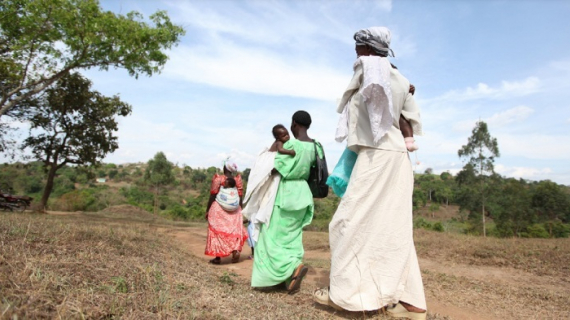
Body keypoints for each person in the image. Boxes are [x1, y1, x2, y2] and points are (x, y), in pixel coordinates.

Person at [314, 27, 427, 319]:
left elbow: (370, 81)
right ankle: (412, 304)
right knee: (393, 227)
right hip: (398, 155)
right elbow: (410, 117)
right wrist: (399, 81)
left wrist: (379, 69)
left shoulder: (370, 67)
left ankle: (347, 295)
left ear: (367, 48)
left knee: (346, 223)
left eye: (358, 45)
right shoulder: (400, 79)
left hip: (378, 155)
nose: (355, 51)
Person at [250, 110, 322, 294]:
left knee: (270, 235)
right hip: (303, 194)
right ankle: (291, 272)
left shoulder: (290, 144)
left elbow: (277, 168)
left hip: (286, 193)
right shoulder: (316, 146)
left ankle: (284, 270)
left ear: (294, 124)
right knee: (293, 235)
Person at [205, 159, 248, 265]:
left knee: (216, 231)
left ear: (225, 168)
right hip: (235, 209)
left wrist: (208, 210)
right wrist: (239, 210)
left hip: (219, 209)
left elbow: (213, 195)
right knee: (234, 231)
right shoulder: (237, 180)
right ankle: (235, 250)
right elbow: (240, 195)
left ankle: (218, 257)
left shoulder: (218, 179)